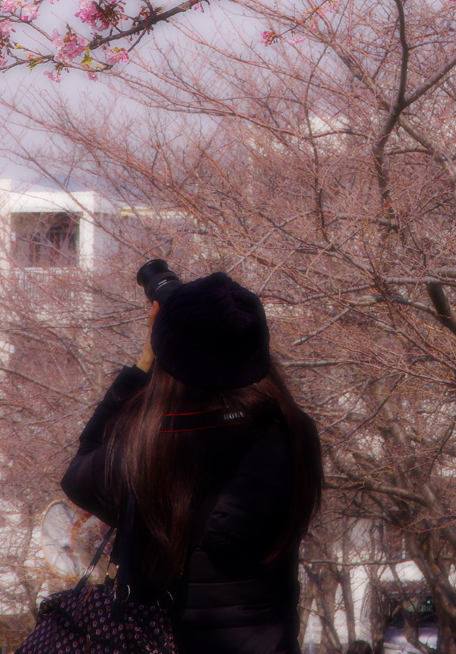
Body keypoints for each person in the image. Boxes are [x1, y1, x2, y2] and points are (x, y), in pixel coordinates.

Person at [61, 271, 323, 654]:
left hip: (161, 642)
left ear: (170, 357)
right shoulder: (293, 433)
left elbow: (78, 475)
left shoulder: (145, 447)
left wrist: (142, 366)